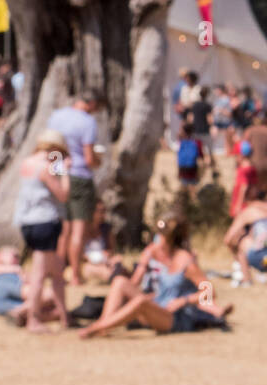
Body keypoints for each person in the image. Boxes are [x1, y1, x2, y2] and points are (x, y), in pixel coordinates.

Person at [79, 212, 231, 338]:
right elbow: (134, 283)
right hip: (157, 306)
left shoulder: (186, 261)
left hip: (176, 317)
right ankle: (103, 325)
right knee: (119, 281)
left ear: (170, 239)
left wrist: (183, 301)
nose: (157, 239)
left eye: (161, 236)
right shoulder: (157, 255)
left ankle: (96, 328)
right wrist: (143, 263)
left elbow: (209, 292)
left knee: (141, 302)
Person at [14, 130, 72, 333]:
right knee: (39, 274)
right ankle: (33, 319)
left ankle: (65, 317)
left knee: (56, 272)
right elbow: (63, 195)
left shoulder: (27, 163)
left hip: (27, 222)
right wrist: (64, 171)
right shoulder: (48, 167)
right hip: (45, 222)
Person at [46, 91, 101, 286]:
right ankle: (76, 275)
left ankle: (58, 272)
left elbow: (51, 148)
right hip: (79, 176)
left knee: (64, 229)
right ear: (91, 103)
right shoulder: (87, 122)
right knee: (78, 230)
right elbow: (88, 158)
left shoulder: (56, 116)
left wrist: (57, 170)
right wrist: (98, 160)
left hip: (58, 174)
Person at [225, 187, 267, 285]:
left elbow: (228, 239)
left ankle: (247, 281)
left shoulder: (249, 211)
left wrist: (234, 253)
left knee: (243, 242)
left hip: (264, 261)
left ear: (247, 199)